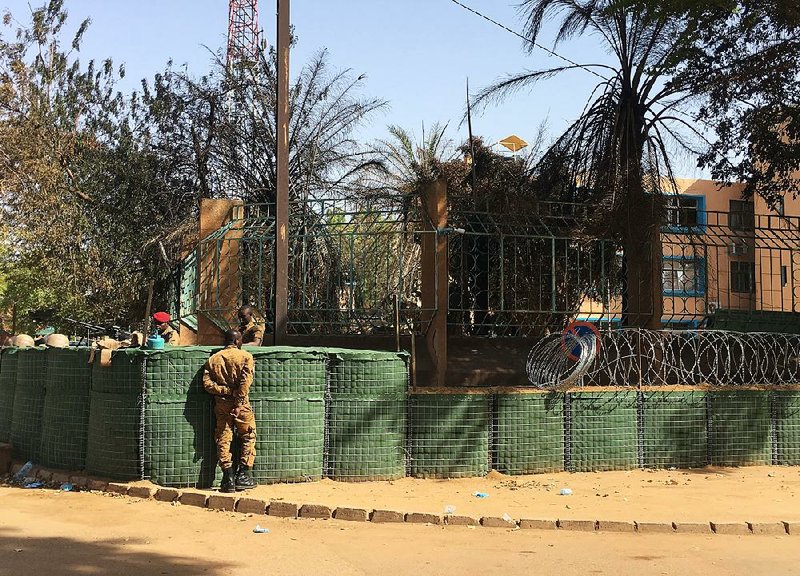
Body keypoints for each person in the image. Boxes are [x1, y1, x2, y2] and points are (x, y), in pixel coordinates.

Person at [202, 329, 257, 493]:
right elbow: (245, 382)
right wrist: (239, 402)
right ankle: (244, 475)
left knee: (223, 437)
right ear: (238, 341)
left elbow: (207, 384)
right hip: (242, 405)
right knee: (248, 435)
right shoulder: (246, 357)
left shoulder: (214, 359)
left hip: (221, 404)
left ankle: (228, 478)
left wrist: (225, 391)